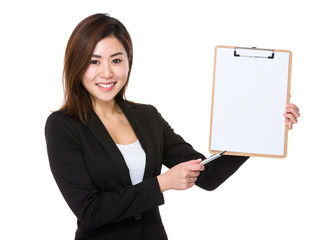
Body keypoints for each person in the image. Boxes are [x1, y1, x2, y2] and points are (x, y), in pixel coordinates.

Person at [45, 13, 300, 240]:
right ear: (77, 65)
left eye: (116, 60)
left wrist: (263, 124)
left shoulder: (147, 116)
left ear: (128, 62)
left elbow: (207, 176)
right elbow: (91, 211)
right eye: (94, 61)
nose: (107, 73)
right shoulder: (63, 126)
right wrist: (162, 183)